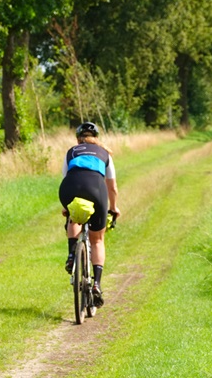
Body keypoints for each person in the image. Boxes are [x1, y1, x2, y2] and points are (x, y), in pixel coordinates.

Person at [59, 121, 120, 308]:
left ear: (78, 138)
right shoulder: (105, 154)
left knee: (73, 216)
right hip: (96, 188)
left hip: (69, 188)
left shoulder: (71, 152)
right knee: (97, 240)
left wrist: (66, 207)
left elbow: (65, 177)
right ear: (96, 138)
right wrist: (114, 208)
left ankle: (71, 254)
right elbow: (112, 187)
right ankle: (96, 284)